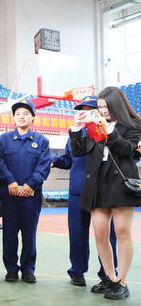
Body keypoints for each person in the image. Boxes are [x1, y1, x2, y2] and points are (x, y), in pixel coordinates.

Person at [70, 86, 141, 300]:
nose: (103, 111)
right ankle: (110, 278)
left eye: (106, 106)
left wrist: (110, 130)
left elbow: (125, 151)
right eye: (100, 107)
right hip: (97, 184)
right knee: (100, 234)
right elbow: (79, 150)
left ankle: (122, 281)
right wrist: (75, 128)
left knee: (121, 232)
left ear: (116, 105)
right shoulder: (94, 125)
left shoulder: (133, 125)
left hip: (120, 184)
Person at [51, 96, 118, 289]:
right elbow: (68, 160)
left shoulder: (107, 132)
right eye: (82, 110)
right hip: (77, 192)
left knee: (105, 234)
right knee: (77, 233)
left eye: (91, 110)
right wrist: (54, 161)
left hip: (101, 192)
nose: (86, 113)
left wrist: (98, 125)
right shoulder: (75, 133)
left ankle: (107, 273)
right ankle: (77, 271)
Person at [0, 99, 51, 284]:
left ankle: (28, 269)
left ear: (33, 117)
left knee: (29, 235)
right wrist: (9, 180)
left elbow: (44, 166)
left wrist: (31, 184)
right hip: (9, 196)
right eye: (18, 114)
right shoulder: (2, 140)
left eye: (25, 113)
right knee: (9, 234)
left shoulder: (41, 141)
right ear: (13, 117)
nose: (21, 116)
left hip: (30, 197)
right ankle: (11, 269)